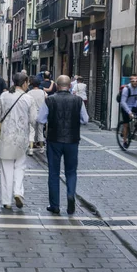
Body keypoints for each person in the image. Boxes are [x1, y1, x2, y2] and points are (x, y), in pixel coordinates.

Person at [37, 75, 88, 215]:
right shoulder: (78, 101)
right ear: (69, 86)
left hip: (54, 140)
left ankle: (55, 205)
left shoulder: (50, 100)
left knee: (54, 173)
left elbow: (40, 119)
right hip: (72, 140)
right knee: (71, 172)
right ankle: (70, 195)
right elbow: (85, 119)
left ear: (58, 86)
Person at [0, 72, 36, 210]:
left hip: (6, 138)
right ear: (25, 83)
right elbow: (34, 120)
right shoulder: (28, 98)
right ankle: (18, 192)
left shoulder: (4, 96)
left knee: (6, 169)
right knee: (20, 166)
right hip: (21, 138)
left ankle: (6, 200)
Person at [27, 77, 46, 155]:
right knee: (40, 131)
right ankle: (42, 148)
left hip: (32, 113)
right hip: (41, 114)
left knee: (31, 131)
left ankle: (30, 149)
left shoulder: (29, 93)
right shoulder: (42, 92)